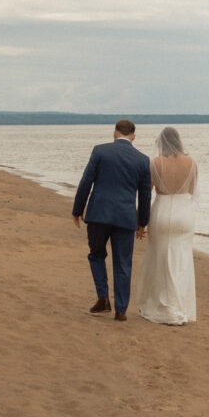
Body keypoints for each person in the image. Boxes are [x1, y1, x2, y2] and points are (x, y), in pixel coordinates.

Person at [72, 120, 152, 322]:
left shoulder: (100, 151)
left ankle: (103, 298)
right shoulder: (142, 160)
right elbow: (145, 196)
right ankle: (121, 310)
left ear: (114, 133)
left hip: (98, 213)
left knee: (97, 255)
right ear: (134, 137)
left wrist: (77, 209)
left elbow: (85, 181)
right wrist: (142, 222)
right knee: (123, 263)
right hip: (125, 218)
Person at [132, 126, 199, 325]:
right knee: (181, 259)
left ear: (161, 142)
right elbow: (193, 191)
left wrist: (140, 223)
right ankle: (178, 307)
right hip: (184, 214)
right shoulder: (192, 163)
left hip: (162, 212)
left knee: (160, 258)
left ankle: (163, 306)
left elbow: (146, 194)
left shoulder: (156, 163)